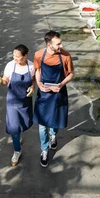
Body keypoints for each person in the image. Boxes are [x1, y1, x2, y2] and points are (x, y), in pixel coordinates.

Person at [33, 31, 74, 168]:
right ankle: (44, 150)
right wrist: (39, 84)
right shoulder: (39, 55)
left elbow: (71, 74)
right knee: (42, 124)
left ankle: (53, 135)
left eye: (60, 42)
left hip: (58, 93)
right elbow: (38, 70)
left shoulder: (66, 56)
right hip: (44, 94)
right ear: (48, 44)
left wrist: (61, 84)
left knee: (56, 120)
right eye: (58, 44)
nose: (61, 45)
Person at [0, 44, 35, 166]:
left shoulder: (31, 66)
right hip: (12, 101)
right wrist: (0, 81)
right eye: (14, 56)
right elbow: (5, 80)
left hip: (25, 100)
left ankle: (19, 137)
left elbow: (33, 79)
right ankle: (17, 151)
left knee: (22, 122)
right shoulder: (10, 65)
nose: (15, 59)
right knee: (13, 128)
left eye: (18, 57)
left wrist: (33, 87)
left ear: (25, 56)